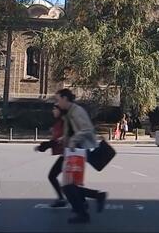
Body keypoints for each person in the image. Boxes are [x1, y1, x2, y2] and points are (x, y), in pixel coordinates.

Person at [55, 88, 107, 224]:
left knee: (68, 186)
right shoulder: (69, 112)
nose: (57, 103)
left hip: (79, 151)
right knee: (70, 185)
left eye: (58, 99)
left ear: (65, 99)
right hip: (74, 150)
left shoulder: (76, 111)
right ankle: (95, 198)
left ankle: (83, 213)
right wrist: (64, 138)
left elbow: (86, 129)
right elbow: (72, 130)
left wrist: (72, 140)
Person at [35, 104, 67, 208]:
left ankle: (97, 196)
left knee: (53, 176)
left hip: (70, 154)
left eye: (54, 109)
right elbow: (56, 140)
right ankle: (65, 198)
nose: (53, 111)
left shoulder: (65, 122)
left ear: (60, 110)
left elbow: (58, 141)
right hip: (67, 154)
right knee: (68, 182)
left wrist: (42, 147)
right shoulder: (60, 122)